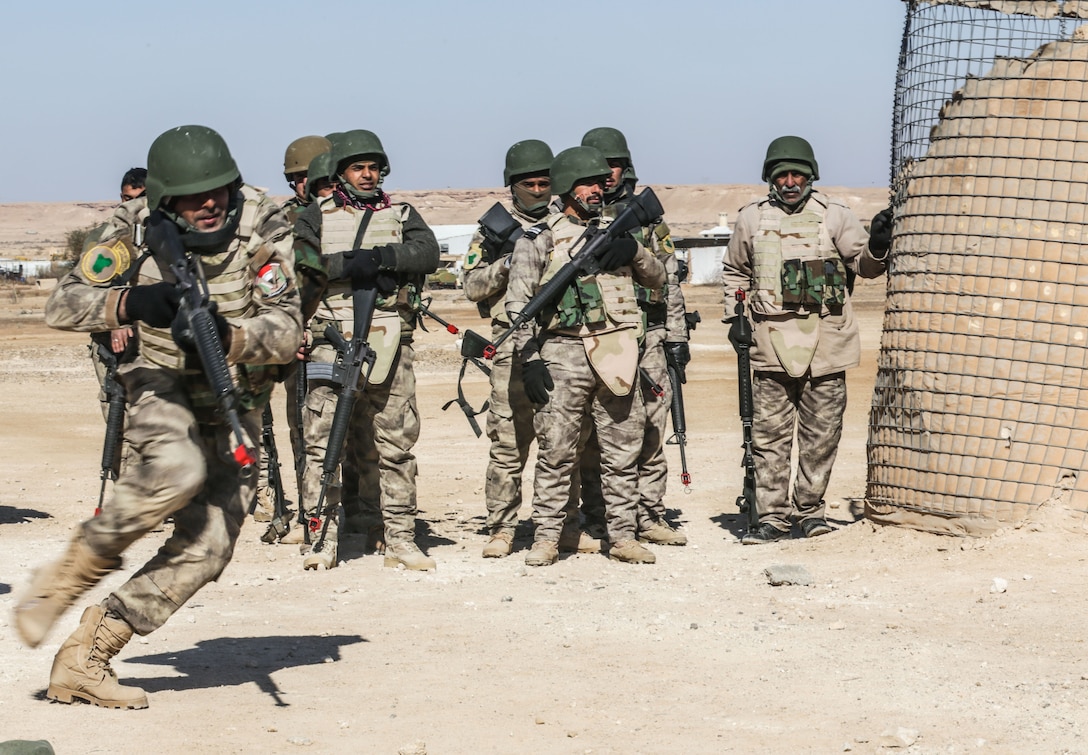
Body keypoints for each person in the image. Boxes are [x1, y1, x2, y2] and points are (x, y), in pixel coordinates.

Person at [13, 124, 303, 708]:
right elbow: (61, 305)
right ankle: (71, 572)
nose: (210, 203)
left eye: (219, 190)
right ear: (164, 198)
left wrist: (231, 336)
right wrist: (131, 301)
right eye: (194, 196)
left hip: (234, 391)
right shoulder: (130, 228)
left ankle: (89, 654)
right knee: (176, 469)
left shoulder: (265, 223)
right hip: (158, 379)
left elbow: (288, 326)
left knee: (211, 546)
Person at [722, 135, 891, 544]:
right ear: (770, 178)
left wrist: (880, 241)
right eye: (782, 174)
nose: (790, 181)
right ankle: (772, 518)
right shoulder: (751, 219)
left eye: (798, 173)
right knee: (769, 439)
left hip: (827, 345)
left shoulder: (835, 217)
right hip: (769, 345)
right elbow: (734, 272)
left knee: (821, 437)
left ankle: (810, 511)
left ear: (811, 175)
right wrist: (734, 317)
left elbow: (865, 267)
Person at [506, 145, 666, 567]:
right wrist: (531, 359)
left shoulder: (621, 232)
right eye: (588, 183)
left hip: (617, 349)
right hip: (564, 351)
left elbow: (659, 281)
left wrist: (635, 253)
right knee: (556, 451)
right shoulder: (538, 239)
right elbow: (518, 306)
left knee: (623, 450)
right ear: (566, 188)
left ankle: (623, 536)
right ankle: (547, 537)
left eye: (600, 182)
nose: (598, 189)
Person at [293, 128, 440, 570]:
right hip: (329, 341)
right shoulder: (315, 215)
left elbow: (427, 252)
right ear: (340, 173)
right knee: (322, 445)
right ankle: (320, 538)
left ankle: (400, 538)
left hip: (391, 340)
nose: (368, 174)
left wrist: (377, 259)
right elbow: (303, 266)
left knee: (395, 444)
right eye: (358, 167)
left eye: (374, 167)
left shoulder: (401, 212)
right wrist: (343, 267)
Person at [578, 126, 691, 547]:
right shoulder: (572, 214)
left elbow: (670, 279)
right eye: (600, 165)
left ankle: (648, 514)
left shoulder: (645, 218)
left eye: (615, 164)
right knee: (593, 433)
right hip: (597, 336)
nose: (608, 173)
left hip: (650, 334)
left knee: (651, 427)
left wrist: (676, 336)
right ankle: (597, 515)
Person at [463, 139, 571, 558]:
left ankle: (563, 524)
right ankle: (502, 528)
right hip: (509, 342)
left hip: (560, 340)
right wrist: (511, 262)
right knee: (508, 440)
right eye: (530, 183)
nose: (540, 191)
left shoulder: (567, 224)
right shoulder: (494, 230)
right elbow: (471, 286)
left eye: (546, 183)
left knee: (562, 440)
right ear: (512, 185)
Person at [250, 136, 333, 531]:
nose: (304, 184)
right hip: (294, 339)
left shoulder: (348, 217)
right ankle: (302, 509)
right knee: (300, 426)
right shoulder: (278, 222)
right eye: (296, 178)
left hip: (338, 335)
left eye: (310, 176)